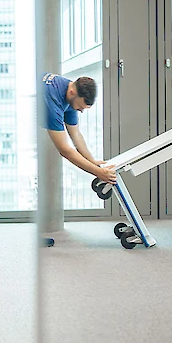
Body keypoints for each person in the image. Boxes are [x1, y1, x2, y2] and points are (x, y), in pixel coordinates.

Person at [41, 72, 116, 246]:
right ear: (73, 92)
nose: (81, 111)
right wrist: (98, 172)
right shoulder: (52, 99)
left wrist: (92, 161)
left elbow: (75, 135)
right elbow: (65, 150)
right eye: (81, 107)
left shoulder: (70, 95)